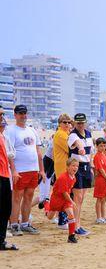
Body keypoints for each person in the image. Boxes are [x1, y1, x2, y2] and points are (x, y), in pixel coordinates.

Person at [7, 105, 45, 235]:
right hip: (20, 170)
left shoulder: (32, 130)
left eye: (24, 113)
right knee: (17, 197)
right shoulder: (11, 130)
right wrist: (14, 170)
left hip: (33, 169)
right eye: (20, 113)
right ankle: (14, 225)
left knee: (29, 196)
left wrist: (41, 169)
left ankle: (25, 223)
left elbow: (38, 151)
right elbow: (9, 153)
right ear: (15, 115)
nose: (23, 116)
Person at [68, 113, 93, 236]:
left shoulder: (88, 134)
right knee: (77, 198)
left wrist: (91, 166)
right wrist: (81, 148)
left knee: (81, 198)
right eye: (78, 123)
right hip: (77, 168)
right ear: (75, 123)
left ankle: (77, 224)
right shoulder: (72, 135)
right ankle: (76, 226)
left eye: (82, 122)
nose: (80, 125)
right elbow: (78, 143)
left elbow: (90, 152)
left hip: (86, 166)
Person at [45, 158, 79, 243]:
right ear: (67, 167)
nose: (75, 168)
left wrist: (70, 202)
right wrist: (72, 201)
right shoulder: (63, 178)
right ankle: (46, 204)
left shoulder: (73, 177)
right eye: (73, 165)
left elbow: (67, 192)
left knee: (71, 215)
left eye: (77, 166)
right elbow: (65, 193)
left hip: (65, 200)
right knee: (49, 217)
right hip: (57, 199)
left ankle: (71, 236)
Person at [0, 107, 18, 250]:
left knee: (6, 209)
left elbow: (11, 154)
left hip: (5, 175)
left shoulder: (3, 136)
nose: (2, 117)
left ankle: (1, 241)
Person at [53, 113, 72, 228]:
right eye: (64, 122)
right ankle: (62, 220)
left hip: (64, 166)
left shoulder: (65, 133)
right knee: (64, 193)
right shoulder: (61, 134)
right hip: (62, 167)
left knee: (64, 193)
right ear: (60, 123)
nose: (67, 124)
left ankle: (60, 218)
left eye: (69, 122)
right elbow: (70, 148)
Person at [93, 138, 106, 224]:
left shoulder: (104, 155)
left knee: (104, 199)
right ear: (96, 146)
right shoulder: (97, 156)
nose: (103, 147)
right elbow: (100, 169)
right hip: (101, 179)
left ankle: (103, 216)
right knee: (99, 199)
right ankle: (98, 217)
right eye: (100, 146)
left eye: (104, 146)